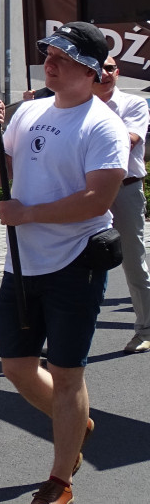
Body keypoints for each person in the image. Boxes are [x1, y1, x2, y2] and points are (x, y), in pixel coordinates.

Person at [0, 21, 128, 504]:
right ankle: (76, 424)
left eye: (64, 58)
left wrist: (28, 215)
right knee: (16, 367)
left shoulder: (102, 125)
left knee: (66, 375)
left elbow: (97, 200)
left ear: (90, 71)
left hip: (75, 261)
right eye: (49, 53)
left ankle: (60, 478)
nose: (51, 62)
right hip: (22, 263)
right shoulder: (30, 111)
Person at [92, 56, 150, 354]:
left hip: (125, 189)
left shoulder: (133, 104)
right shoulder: (74, 104)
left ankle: (146, 330)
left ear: (118, 72)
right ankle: (69, 335)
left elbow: (128, 140)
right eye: (98, 68)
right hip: (85, 191)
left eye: (109, 68)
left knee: (133, 261)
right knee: (78, 263)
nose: (104, 73)